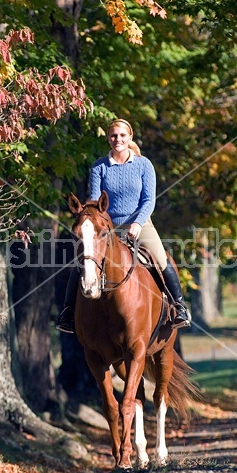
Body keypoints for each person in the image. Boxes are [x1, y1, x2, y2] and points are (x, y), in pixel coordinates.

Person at [56, 118, 191, 333]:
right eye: (113, 136)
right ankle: (68, 313)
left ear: (130, 138)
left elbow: (149, 201)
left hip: (139, 223)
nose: (117, 139)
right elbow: (95, 200)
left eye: (121, 135)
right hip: (107, 226)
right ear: (109, 138)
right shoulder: (99, 166)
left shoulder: (143, 165)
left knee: (161, 258)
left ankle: (179, 306)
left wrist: (137, 223)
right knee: (84, 261)